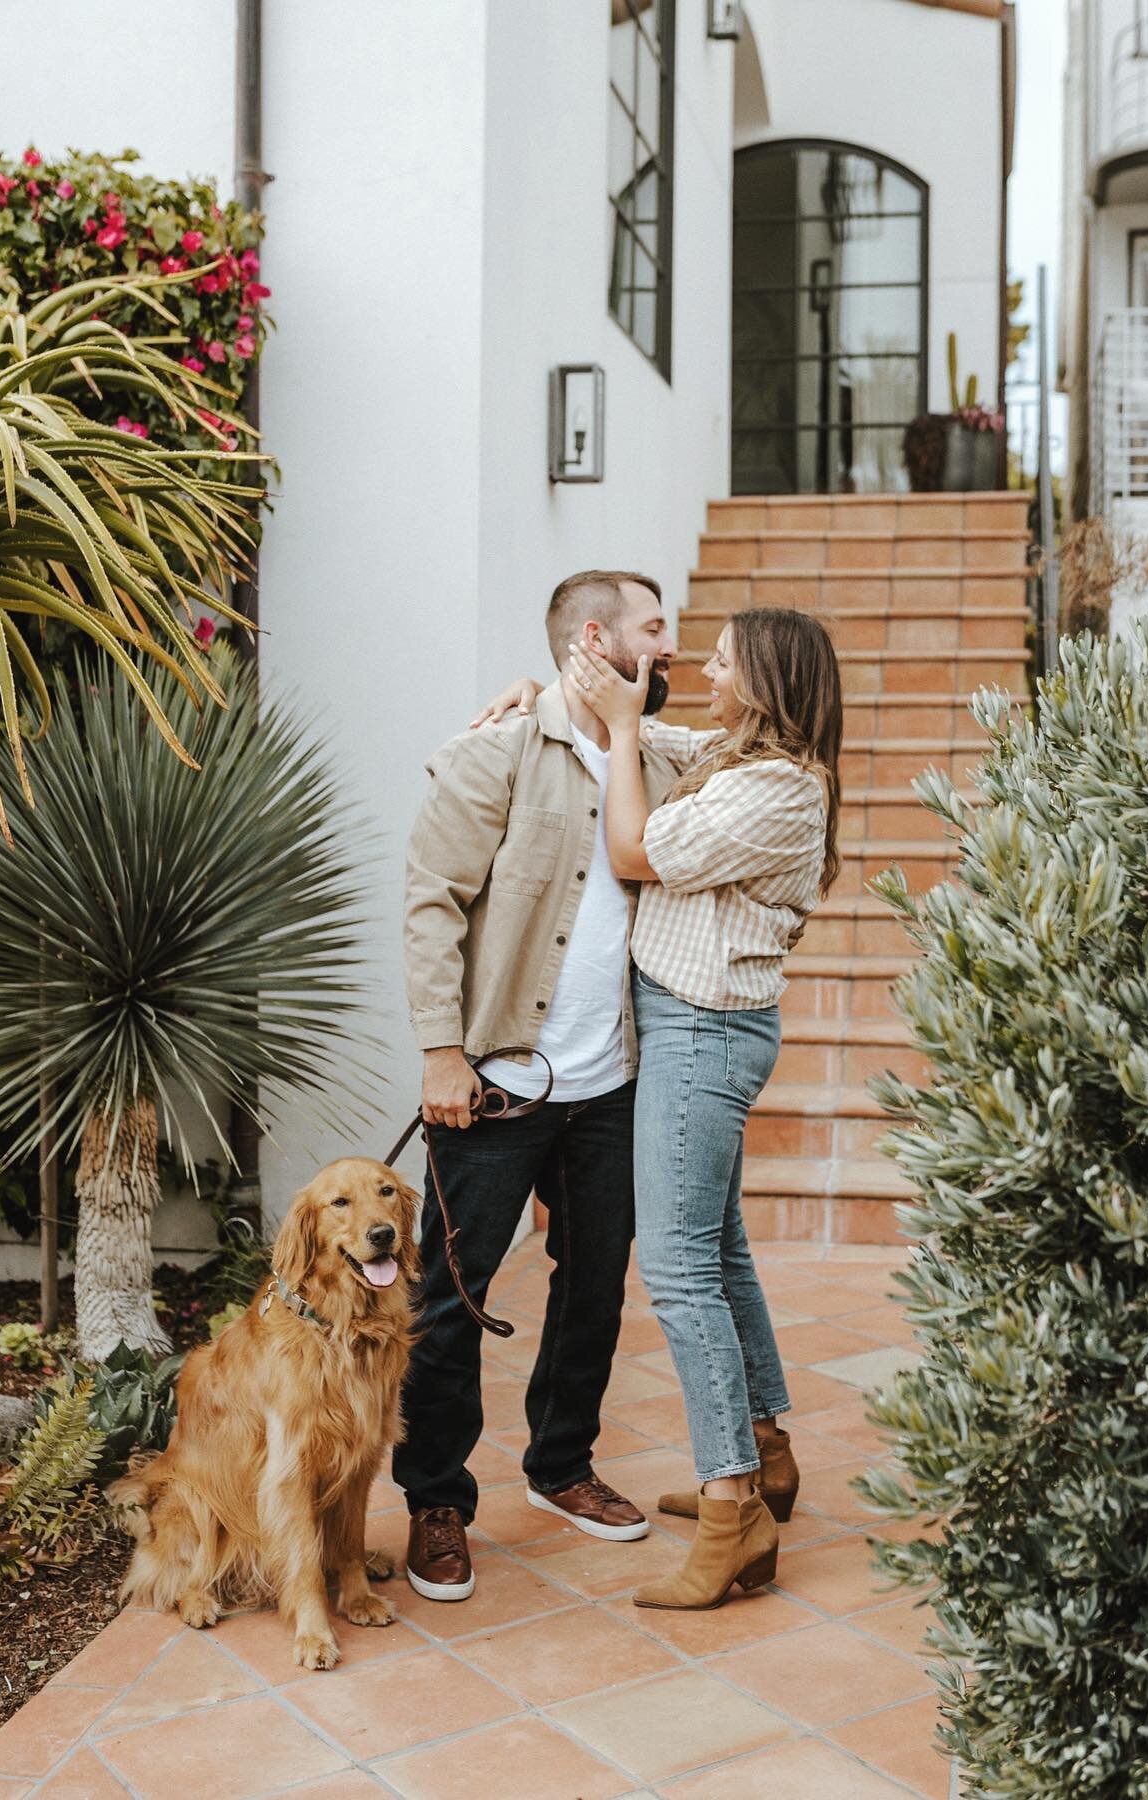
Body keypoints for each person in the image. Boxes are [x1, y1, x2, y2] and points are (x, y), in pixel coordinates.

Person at [397, 569, 689, 1602]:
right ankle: (435, 1497)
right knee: (454, 1296)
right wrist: (442, 1052)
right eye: (658, 630)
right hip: (497, 1080)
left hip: (611, 1081)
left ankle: (563, 1466)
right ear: (600, 637)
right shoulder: (502, 753)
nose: (671, 647)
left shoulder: (650, 755)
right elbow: (432, 902)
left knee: (596, 1282)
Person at [564, 606, 842, 1610]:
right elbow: (646, 734)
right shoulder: (736, 758)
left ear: (766, 682)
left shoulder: (778, 788)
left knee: (678, 1272)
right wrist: (563, 700)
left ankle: (732, 1513)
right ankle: (763, 1453)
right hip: (698, 1027)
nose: (706, 671)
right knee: (716, 1250)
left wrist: (625, 730)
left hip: (700, 1031)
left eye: (723, 661)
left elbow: (636, 849)